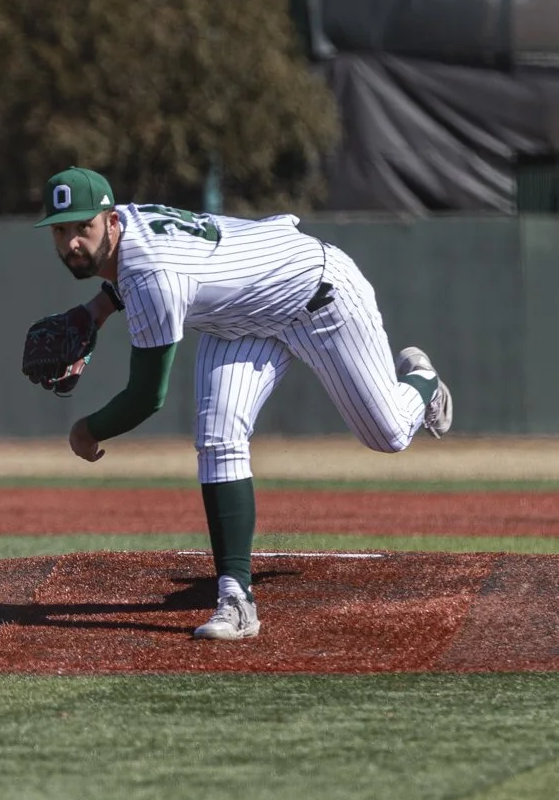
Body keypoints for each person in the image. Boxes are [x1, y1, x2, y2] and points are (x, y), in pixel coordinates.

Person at [26, 166, 452, 640]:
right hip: (239, 320)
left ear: (110, 220)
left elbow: (147, 396)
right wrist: (94, 312)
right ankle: (236, 597)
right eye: (60, 230)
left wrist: (87, 431)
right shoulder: (130, 226)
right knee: (218, 437)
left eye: (82, 227)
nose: (72, 242)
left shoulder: (152, 273)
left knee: (388, 433)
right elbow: (141, 270)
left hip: (317, 295)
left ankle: (423, 382)